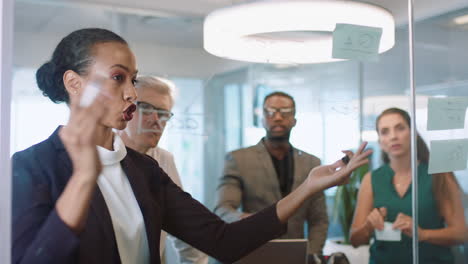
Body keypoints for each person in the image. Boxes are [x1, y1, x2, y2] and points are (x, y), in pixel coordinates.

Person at [11, 28, 371, 264]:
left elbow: (223, 240)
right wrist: (82, 179)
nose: (132, 94)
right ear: (74, 83)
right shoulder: (29, 166)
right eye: (118, 77)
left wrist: (308, 187)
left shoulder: (143, 170)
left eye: (132, 80)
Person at [214, 91, 328, 254]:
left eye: (285, 112)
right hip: (253, 252)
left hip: (296, 256)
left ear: (294, 120)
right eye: (270, 111)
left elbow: (319, 220)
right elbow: (223, 209)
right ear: (262, 119)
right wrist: (246, 220)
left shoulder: (312, 163)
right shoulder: (238, 159)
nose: (278, 117)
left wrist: (311, 256)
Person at [349, 107, 466, 264]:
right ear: (380, 143)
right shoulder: (371, 180)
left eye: (400, 128)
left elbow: (461, 234)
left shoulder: (440, 174)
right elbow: (355, 240)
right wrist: (368, 226)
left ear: (414, 134)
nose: (393, 136)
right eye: (385, 131)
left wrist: (423, 234)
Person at [119, 75, 208, 264]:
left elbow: (187, 232)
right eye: (146, 108)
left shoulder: (163, 160)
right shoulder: (99, 156)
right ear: (125, 108)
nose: (156, 120)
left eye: (163, 113)